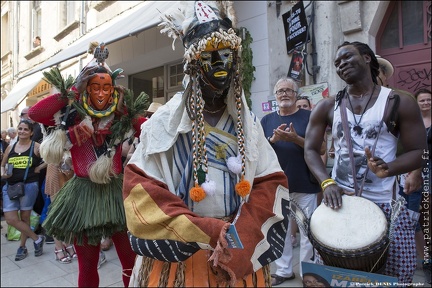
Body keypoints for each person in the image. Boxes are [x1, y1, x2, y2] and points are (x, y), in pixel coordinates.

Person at [124, 1, 290, 287]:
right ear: (192, 63)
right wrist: (205, 229)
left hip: (239, 248)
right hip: (182, 257)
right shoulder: (165, 123)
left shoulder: (247, 124)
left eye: (227, 55)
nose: (220, 64)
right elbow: (141, 191)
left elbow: (270, 183)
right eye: (209, 56)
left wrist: (242, 238)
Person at [304, 41, 427, 284]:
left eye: (347, 57)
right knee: (335, 278)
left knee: (396, 276)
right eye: (337, 63)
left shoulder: (398, 101)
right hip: (340, 203)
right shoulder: (328, 106)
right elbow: (309, 149)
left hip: (386, 203)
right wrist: (327, 182)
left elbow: (419, 151)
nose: (341, 64)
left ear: (368, 58)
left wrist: (389, 168)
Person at [28, 45, 147, 287]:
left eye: (107, 87)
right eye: (94, 87)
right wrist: (72, 90)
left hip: (116, 193)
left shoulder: (120, 112)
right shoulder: (71, 114)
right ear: (85, 89)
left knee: (130, 260)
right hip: (81, 195)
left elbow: (147, 128)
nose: (101, 94)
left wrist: (127, 107)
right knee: (88, 264)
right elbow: (35, 113)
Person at [261, 77, 325, 286]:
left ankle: (307, 273)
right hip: (277, 185)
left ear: (296, 95)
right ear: (275, 95)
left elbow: (321, 148)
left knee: (307, 232)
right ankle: (284, 270)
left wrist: (295, 139)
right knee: (281, 231)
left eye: (289, 90)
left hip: (305, 184)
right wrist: (273, 141)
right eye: (280, 91)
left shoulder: (309, 116)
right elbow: (259, 152)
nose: (285, 94)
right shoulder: (267, 120)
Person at [1, 119, 47, 261]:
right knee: (10, 219)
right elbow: (3, 164)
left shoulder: (36, 146)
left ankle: (22, 247)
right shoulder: (11, 147)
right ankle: (37, 239)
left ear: (31, 132)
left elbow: (51, 158)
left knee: (25, 218)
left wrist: (39, 167)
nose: (22, 131)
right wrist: (3, 173)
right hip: (10, 186)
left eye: (25, 129)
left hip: (29, 186)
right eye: (20, 128)